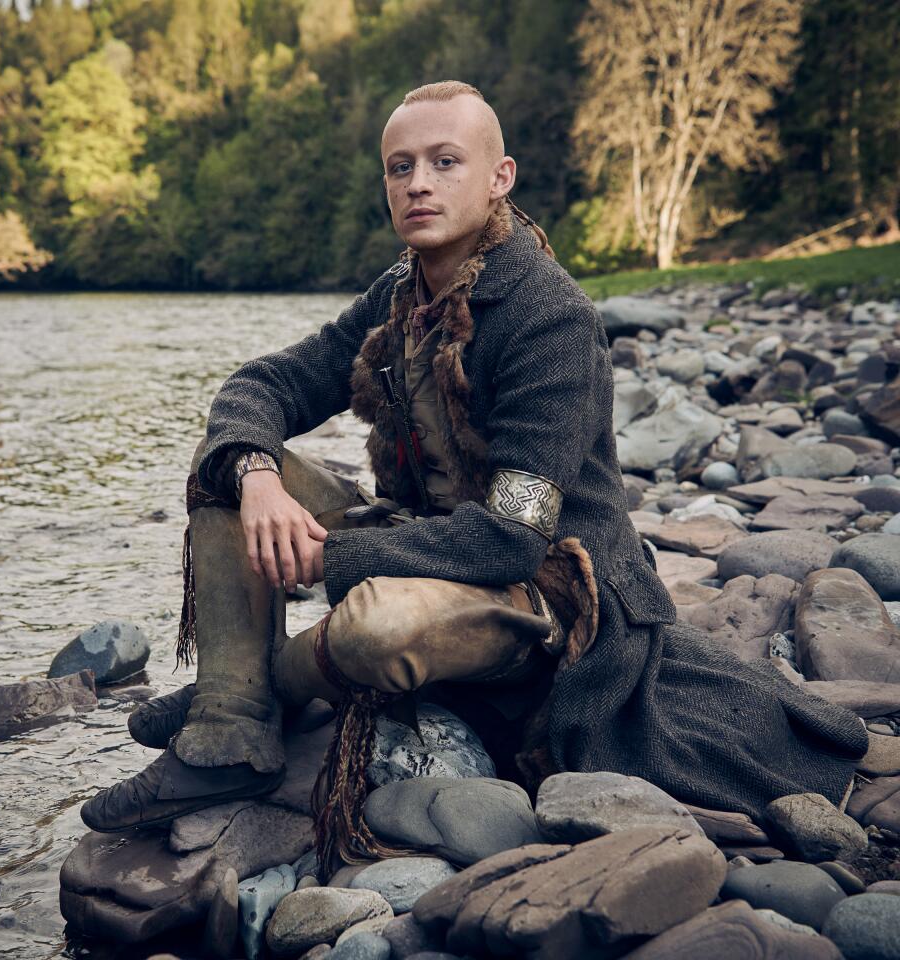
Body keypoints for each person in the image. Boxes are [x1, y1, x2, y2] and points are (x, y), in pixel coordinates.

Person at [80, 81, 867, 867]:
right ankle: (230, 731)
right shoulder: (399, 294)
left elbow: (512, 537)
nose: (418, 183)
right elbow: (263, 383)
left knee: (378, 628)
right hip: (423, 536)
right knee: (226, 464)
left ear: (501, 177)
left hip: (553, 592)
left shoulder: (548, 318)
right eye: (400, 167)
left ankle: (248, 691)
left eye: (444, 161)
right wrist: (256, 479)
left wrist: (330, 558)